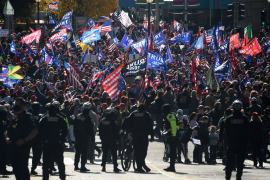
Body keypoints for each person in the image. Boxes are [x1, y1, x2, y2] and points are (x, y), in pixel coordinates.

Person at [5, 97, 38, 180]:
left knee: (23, 167)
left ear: (23, 106)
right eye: (15, 104)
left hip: (23, 146)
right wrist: (7, 138)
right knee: (15, 167)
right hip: (13, 145)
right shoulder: (14, 116)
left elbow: (34, 131)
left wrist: (24, 140)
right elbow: (8, 130)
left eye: (17, 105)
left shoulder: (28, 116)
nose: (15, 106)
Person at [39, 103, 68, 180]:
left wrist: (43, 140)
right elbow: (65, 130)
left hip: (47, 142)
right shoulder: (60, 118)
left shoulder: (44, 118)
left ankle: (45, 178)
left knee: (45, 163)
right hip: (57, 141)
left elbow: (39, 131)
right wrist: (62, 139)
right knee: (60, 162)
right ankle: (62, 177)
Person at [124, 104, 154, 172]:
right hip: (144, 135)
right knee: (143, 151)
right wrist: (152, 136)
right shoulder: (146, 114)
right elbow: (150, 125)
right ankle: (141, 165)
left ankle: (140, 166)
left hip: (135, 135)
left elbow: (127, 120)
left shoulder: (133, 113)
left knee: (137, 150)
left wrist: (126, 129)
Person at [225, 100, 249, 180]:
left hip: (232, 143)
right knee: (240, 163)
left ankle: (228, 177)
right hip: (242, 143)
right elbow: (247, 131)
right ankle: (238, 177)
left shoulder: (228, 119)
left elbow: (227, 132)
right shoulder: (245, 119)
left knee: (229, 162)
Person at [99, 108, 121, 172]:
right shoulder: (113, 121)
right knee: (114, 154)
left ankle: (103, 167)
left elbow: (100, 130)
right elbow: (116, 130)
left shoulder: (102, 120)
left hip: (104, 139)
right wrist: (117, 138)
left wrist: (101, 138)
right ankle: (115, 167)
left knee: (105, 153)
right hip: (112, 139)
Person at [73, 102, 94, 172]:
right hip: (85, 137)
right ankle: (82, 166)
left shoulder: (78, 116)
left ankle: (76, 166)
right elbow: (91, 129)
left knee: (77, 152)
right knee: (84, 152)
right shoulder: (88, 118)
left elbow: (74, 126)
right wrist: (93, 139)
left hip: (78, 136)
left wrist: (75, 135)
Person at [162, 104, 179, 172]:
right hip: (171, 134)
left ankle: (172, 167)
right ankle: (171, 166)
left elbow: (173, 126)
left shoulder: (170, 115)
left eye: (163, 109)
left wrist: (173, 135)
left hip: (173, 134)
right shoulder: (168, 115)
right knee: (171, 151)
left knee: (172, 151)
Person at [29, 102, 43, 175]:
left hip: (36, 138)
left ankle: (33, 168)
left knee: (37, 154)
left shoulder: (40, 117)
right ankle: (32, 168)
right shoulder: (29, 116)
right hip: (31, 137)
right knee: (36, 154)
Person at [0, 105, 12, 175]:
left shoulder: (6, 120)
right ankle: (3, 169)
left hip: (4, 139)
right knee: (3, 155)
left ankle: (3, 169)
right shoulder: (5, 119)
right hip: (3, 139)